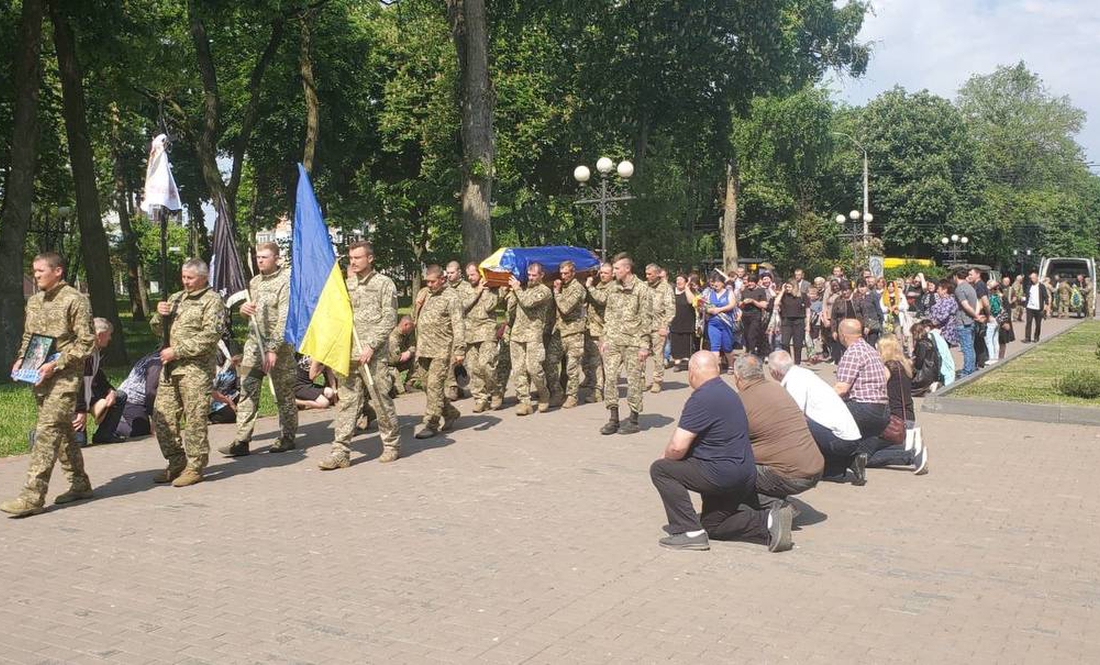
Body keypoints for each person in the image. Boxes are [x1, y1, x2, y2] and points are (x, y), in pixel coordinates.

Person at [649, 351, 792, 552]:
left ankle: (689, 532)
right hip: (744, 474)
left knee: (661, 470)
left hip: (722, 474)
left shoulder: (702, 397)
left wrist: (665, 459)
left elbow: (677, 447)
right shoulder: (728, 393)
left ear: (692, 372)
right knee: (713, 525)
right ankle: (768, 520)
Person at [2, 252, 96, 517]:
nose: (36, 275)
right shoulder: (33, 301)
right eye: (34, 271)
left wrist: (56, 364)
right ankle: (80, 483)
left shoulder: (75, 300)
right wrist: (22, 360)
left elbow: (86, 342)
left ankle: (32, 496)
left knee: (46, 432)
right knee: (63, 432)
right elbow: (30, 337)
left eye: (41, 271)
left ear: (58, 271)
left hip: (64, 378)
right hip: (39, 378)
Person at [321, 241, 400, 469]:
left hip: (373, 356)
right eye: (351, 258)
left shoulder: (384, 284)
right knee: (347, 404)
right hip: (349, 355)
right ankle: (340, 452)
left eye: (358, 257)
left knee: (380, 399)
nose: (353, 262)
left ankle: (391, 444)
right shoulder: (345, 286)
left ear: (370, 258)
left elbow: (389, 319)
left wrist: (372, 345)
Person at [151, 258, 226, 487]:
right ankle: (176, 461)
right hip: (170, 370)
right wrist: (158, 315)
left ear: (203, 278)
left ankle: (195, 466)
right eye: (183, 277)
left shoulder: (212, 301)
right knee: (162, 416)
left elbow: (210, 336)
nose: (185, 282)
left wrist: (179, 351)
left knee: (194, 420)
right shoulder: (176, 298)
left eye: (190, 278)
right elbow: (157, 329)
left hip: (195, 370)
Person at [218, 242, 298, 458]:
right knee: (248, 390)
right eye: (257, 257)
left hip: (279, 348)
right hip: (254, 345)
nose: (260, 260)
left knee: (283, 394)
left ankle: (287, 436)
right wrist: (244, 310)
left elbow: (285, 319)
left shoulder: (286, 282)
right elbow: (250, 314)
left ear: (276, 258)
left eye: (264, 257)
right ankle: (242, 440)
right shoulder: (253, 282)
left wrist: (273, 348)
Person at [731, 355, 822, 510]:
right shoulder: (778, 388)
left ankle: (779, 507)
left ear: (737, 377)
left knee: (727, 472)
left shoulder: (740, 401)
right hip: (815, 466)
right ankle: (775, 498)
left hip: (789, 474)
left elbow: (730, 443)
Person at [768, 350, 867, 485]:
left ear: (774, 372)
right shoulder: (802, 373)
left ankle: (797, 466)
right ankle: (848, 462)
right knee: (824, 472)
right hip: (847, 437)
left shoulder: (795, 381)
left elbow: (794, 416)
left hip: (840, 440)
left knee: (795, 426)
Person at [595, 254, 652, 435]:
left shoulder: (642, 289)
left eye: (617, 268)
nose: (614, 272)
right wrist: (604, 339)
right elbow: (609, 315)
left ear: (627, 269)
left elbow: (646, 319)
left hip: (634, 343)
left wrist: (644, 345)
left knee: (634, 381)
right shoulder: (612, 289)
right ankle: (613, 418)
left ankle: (634, 419)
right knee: (610, 379)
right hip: (613, 341)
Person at [413, 264, 465, 439]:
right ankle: (449, 412)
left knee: (435, 386)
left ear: (442, 279)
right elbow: (416, 318)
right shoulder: (425, 294)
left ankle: (431, 423)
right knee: (428, 387)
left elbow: (458, 325)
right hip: (423, 349)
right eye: (427, 281)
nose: (429, 285)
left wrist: (459, 349)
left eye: (432, 282)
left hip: (441, 350)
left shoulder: (451, 297)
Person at [864, 335, 928, 474]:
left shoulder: (887, 368)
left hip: (894, 420)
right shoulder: (905, 365)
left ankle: (911, 453)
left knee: (864, 454)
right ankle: (911, 445)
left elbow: (877, 389)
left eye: (878, 348)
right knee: (880, 447)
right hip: (908, 417)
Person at [505, 262, 553, 415]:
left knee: (534, 368)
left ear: (541, 275)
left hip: (533, 334)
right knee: (518, 370)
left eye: (534, 275)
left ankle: (544, 394)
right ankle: (524, 402)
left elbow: (528, 302)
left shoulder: (545, 291)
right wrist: (512, 292)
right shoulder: (522, 289)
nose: (531, 278)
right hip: (517, 334)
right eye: (529, 275)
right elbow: (510, 309)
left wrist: (517, 288)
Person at [833, 318, 890, 446]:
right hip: (883, 409)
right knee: (862, 452)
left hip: (863, 408)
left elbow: (841, 389)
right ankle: (907, 451)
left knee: (826, 426)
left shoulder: (853, 353)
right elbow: (886, 374)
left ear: (843, 335)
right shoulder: (870, 349)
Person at [94, 351, 162, 442]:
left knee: (146, 427)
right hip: (132, 399)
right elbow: (151, 392)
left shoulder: (153, 356)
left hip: (141, 400)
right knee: (140, 431)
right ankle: (111, 424)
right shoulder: (157, 361)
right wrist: (154, 417)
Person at [462, 263, 500, 412]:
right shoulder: (465, 289)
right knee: (473, 369)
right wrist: (477, 291)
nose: (470, 278)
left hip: (486, 332)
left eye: (473, 274)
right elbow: (462, 306)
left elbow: (490, 306)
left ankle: (495, 392)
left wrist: (488, 289)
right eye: (468, 275)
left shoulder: (492, 288)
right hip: (469, 334)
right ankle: (480, 398)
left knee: (486, 365)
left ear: (480, 274)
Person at [549, 260, 587, 408]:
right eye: (561, 273)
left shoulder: (577, 288)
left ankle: (572, 396)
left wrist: (557, 292)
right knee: (550, 362)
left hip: (574, 332)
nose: (563, 276)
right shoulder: (562, 286)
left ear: (573, 273)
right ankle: (557, 393)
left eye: (566, 273)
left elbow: (565, 308)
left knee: (572, 368)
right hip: (559, 331)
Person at [76, 318, 119, 445]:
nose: (110, 339)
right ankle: (40, 435)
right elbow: (78, 384)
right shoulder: (84, 353)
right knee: (78, 443)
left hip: (88, 396)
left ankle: (104, 435)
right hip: (75, 401)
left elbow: (98, 376)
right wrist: (81, 411)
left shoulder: (96, 351)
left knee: (119, 396)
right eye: (109, 335)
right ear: (100, 335)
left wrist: (111, 391)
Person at [584, 263, 613, 405]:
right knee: (593, 361)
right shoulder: (599, 285)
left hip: (605, 331)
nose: (602, 275)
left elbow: (602, 300)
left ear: (612, 274)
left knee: (604, 363)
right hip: (592, 329)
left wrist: (590, 287)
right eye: (601, 272)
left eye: (606, 273)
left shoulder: (613, 287)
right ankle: (596, 388)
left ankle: (600, 392)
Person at [644, 263, 674, 393]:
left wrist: (665, 325)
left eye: (650, 274)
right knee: (641, 354)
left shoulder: (666, 288)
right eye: (646, 274)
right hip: (643, 327)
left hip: (658, 326)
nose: (647, 276)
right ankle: (640, 380)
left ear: (657, 274)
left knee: (658, 355)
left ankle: (657, 381)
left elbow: (671, 309)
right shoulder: (644, 286)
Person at [703, 273, 737, 371]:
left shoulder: (729, 292)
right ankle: (715, 368)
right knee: (714, 346)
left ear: (722, 283)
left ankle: (731, 365)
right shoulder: (709, 293)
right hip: (713, 323)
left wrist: (719, 309)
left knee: (727, 347)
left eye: (718, 282)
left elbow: (732, 304)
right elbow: (705, 305)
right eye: (714, 282)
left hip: (726, 323)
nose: (715, 284)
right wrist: (708, 309)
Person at [952, 269, 982, 376]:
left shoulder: (959, 289)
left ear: (955, 276)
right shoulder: (971, 287)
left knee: (966, 348)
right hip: (971, 321)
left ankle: (967, 371)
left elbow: (965, 305)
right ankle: (972, 368)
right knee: (970, 346)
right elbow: (978, 302)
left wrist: (975, 315)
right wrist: (976, 315)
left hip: (963, 322)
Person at [668, 274, 698, 371]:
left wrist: (687, 288)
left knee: (686, 344)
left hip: (687, 323)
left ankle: (687, 362)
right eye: (677, 280)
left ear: (686, 282)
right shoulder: (671, 292)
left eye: (681, 280)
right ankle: (677, 363)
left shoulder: (690, 292)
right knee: (675, 344)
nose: (678, 282)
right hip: (674, 322)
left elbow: (691, 301)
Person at [778, 280, 811, 364]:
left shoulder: (803, 296)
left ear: (794, 287)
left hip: (799, 321)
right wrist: (782, 291)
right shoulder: (784, 295)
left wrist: (807, 325)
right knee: (784, 342)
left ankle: (797, 363)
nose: (787, 289)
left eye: (789, 287)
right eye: (786, 287)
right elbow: (776, 303)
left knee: (798, 344)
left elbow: (808, 310)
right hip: (786, 321)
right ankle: (788, 361)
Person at [739, 273, 770, 358]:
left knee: (751, 335)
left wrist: (753, 301)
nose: (750, 284)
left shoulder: (761, 291)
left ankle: (752, 354)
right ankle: (749, 351)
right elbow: (740, 305)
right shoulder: (745, 291)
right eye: (749, 282)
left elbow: (764, 305)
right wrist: (743, 303)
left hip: (755, 315)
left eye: (752, 282)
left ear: (756, 282)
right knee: (746, 335)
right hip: (745, 316)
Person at [387, 316, 418, 394]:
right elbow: (394, 360)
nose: (412, 329)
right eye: (411, 327)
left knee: (418, 359)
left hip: (401, 360)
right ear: (405, 325)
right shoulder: (393, 337)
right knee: (400, 391)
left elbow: (413, 345)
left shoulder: (408, 333)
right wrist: (401, 356)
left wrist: (409, 353)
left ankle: (409, 384)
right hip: (390, 365)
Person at [910, 321, 941, 396]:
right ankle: (930, 386)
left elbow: (919, 362)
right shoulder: (929, 341)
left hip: (925, 374)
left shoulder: (921, 344)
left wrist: (912, 368)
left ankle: (928, 388)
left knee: (908, 389)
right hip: (932, 372)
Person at [209, 354, 241, 424]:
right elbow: (212, 392)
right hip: (216, 399)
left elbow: (238, 387)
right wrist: (230, 402)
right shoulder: (219, 370)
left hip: (229, 396)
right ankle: (211, 417)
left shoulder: (236, 371)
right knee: (230, 416)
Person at [1023, 272, 1050, 343]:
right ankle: (1027, 338)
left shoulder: (1041, 286)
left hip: (1038, 308)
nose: (1032, 279)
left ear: (1037, 278)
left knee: (1038, 324)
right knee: (1028, 323)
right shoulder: (1029, 286)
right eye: (1031, 278)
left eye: (1033, 278)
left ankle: (1036, 337)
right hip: (1030, 307)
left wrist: (1045, 307)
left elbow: (1046, 297)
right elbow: (1027, 296)